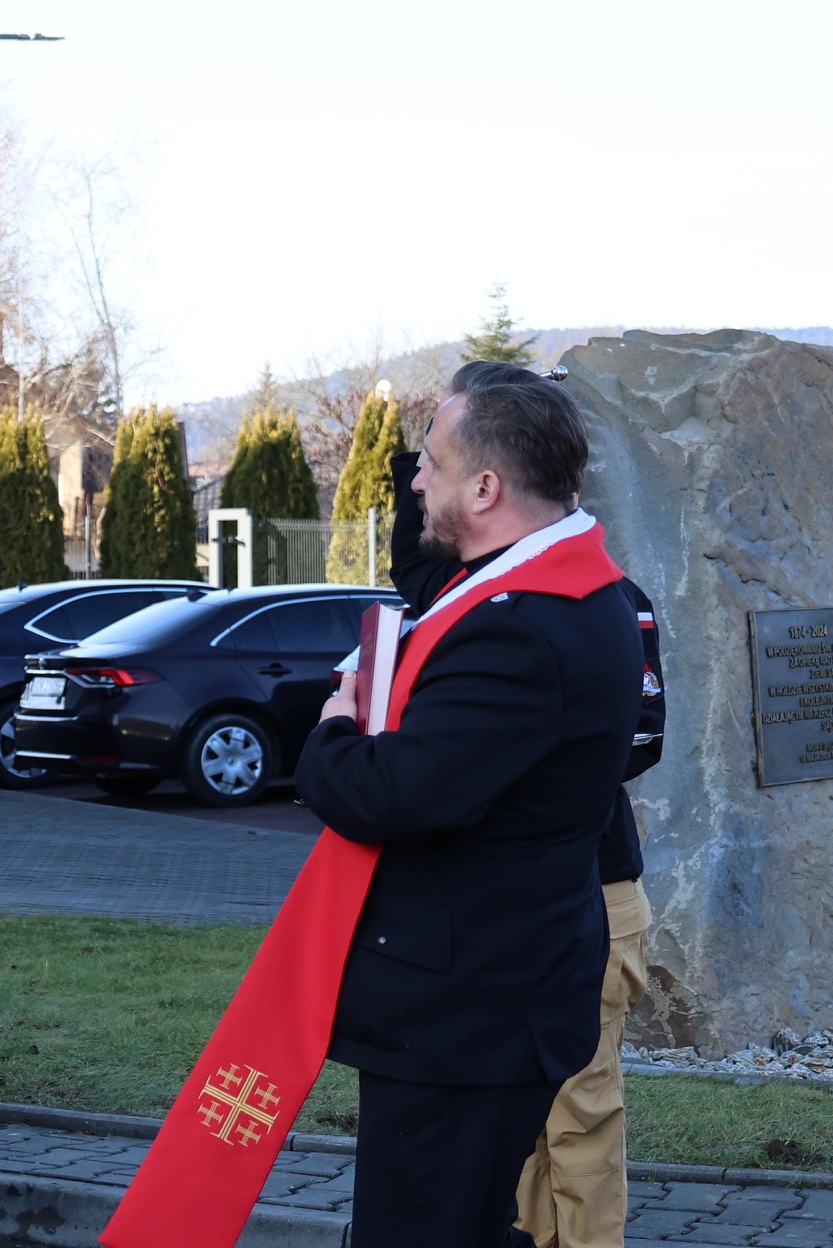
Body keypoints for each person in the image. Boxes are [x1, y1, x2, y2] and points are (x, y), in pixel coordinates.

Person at [294, 361, 642, 1248]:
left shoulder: (521, 624)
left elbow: (393, 793)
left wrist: (333, 733)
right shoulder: (546, 588)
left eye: (432, 466)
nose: (415, 482)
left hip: (468, 1013)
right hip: (481, 1000)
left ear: (486, 489)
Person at [381, 366, 668, 1248]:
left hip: (591, 890)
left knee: (577, 1119)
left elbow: (639, 739)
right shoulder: (468, 595)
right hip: (499, 924)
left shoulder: (597, 599)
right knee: (497, 1159)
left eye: (438, 464)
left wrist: (509, 762)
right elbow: (417, 567)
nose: (422, 483)